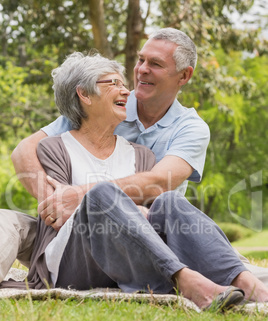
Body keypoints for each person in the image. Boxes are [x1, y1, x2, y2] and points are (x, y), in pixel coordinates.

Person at [0, 28, 267, 287]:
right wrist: (56, 205)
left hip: (152, 229)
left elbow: (160, 183)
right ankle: (194, 278)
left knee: (166, 205)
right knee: (7, 222)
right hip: (76, 236)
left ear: (183, 76)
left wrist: (82, 197)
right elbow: (24, 151)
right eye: (141, 60)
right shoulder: (100, 106)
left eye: (156, 64)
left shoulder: (188, 128)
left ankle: (245, 283)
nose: (141, 70)